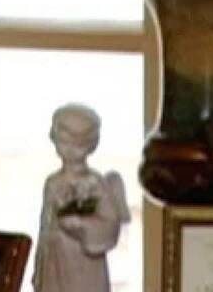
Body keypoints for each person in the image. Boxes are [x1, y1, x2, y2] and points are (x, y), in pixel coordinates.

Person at [31, 104, 130, 292]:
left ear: (91, 144)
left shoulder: (95, 184)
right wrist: (39, 269)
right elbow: (44, 228)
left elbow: (110, 223)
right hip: (54, 263)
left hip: (83, 266)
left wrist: (80, 226)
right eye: (64, 140)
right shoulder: (52, 182)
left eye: (78, 143)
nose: (70, 148)